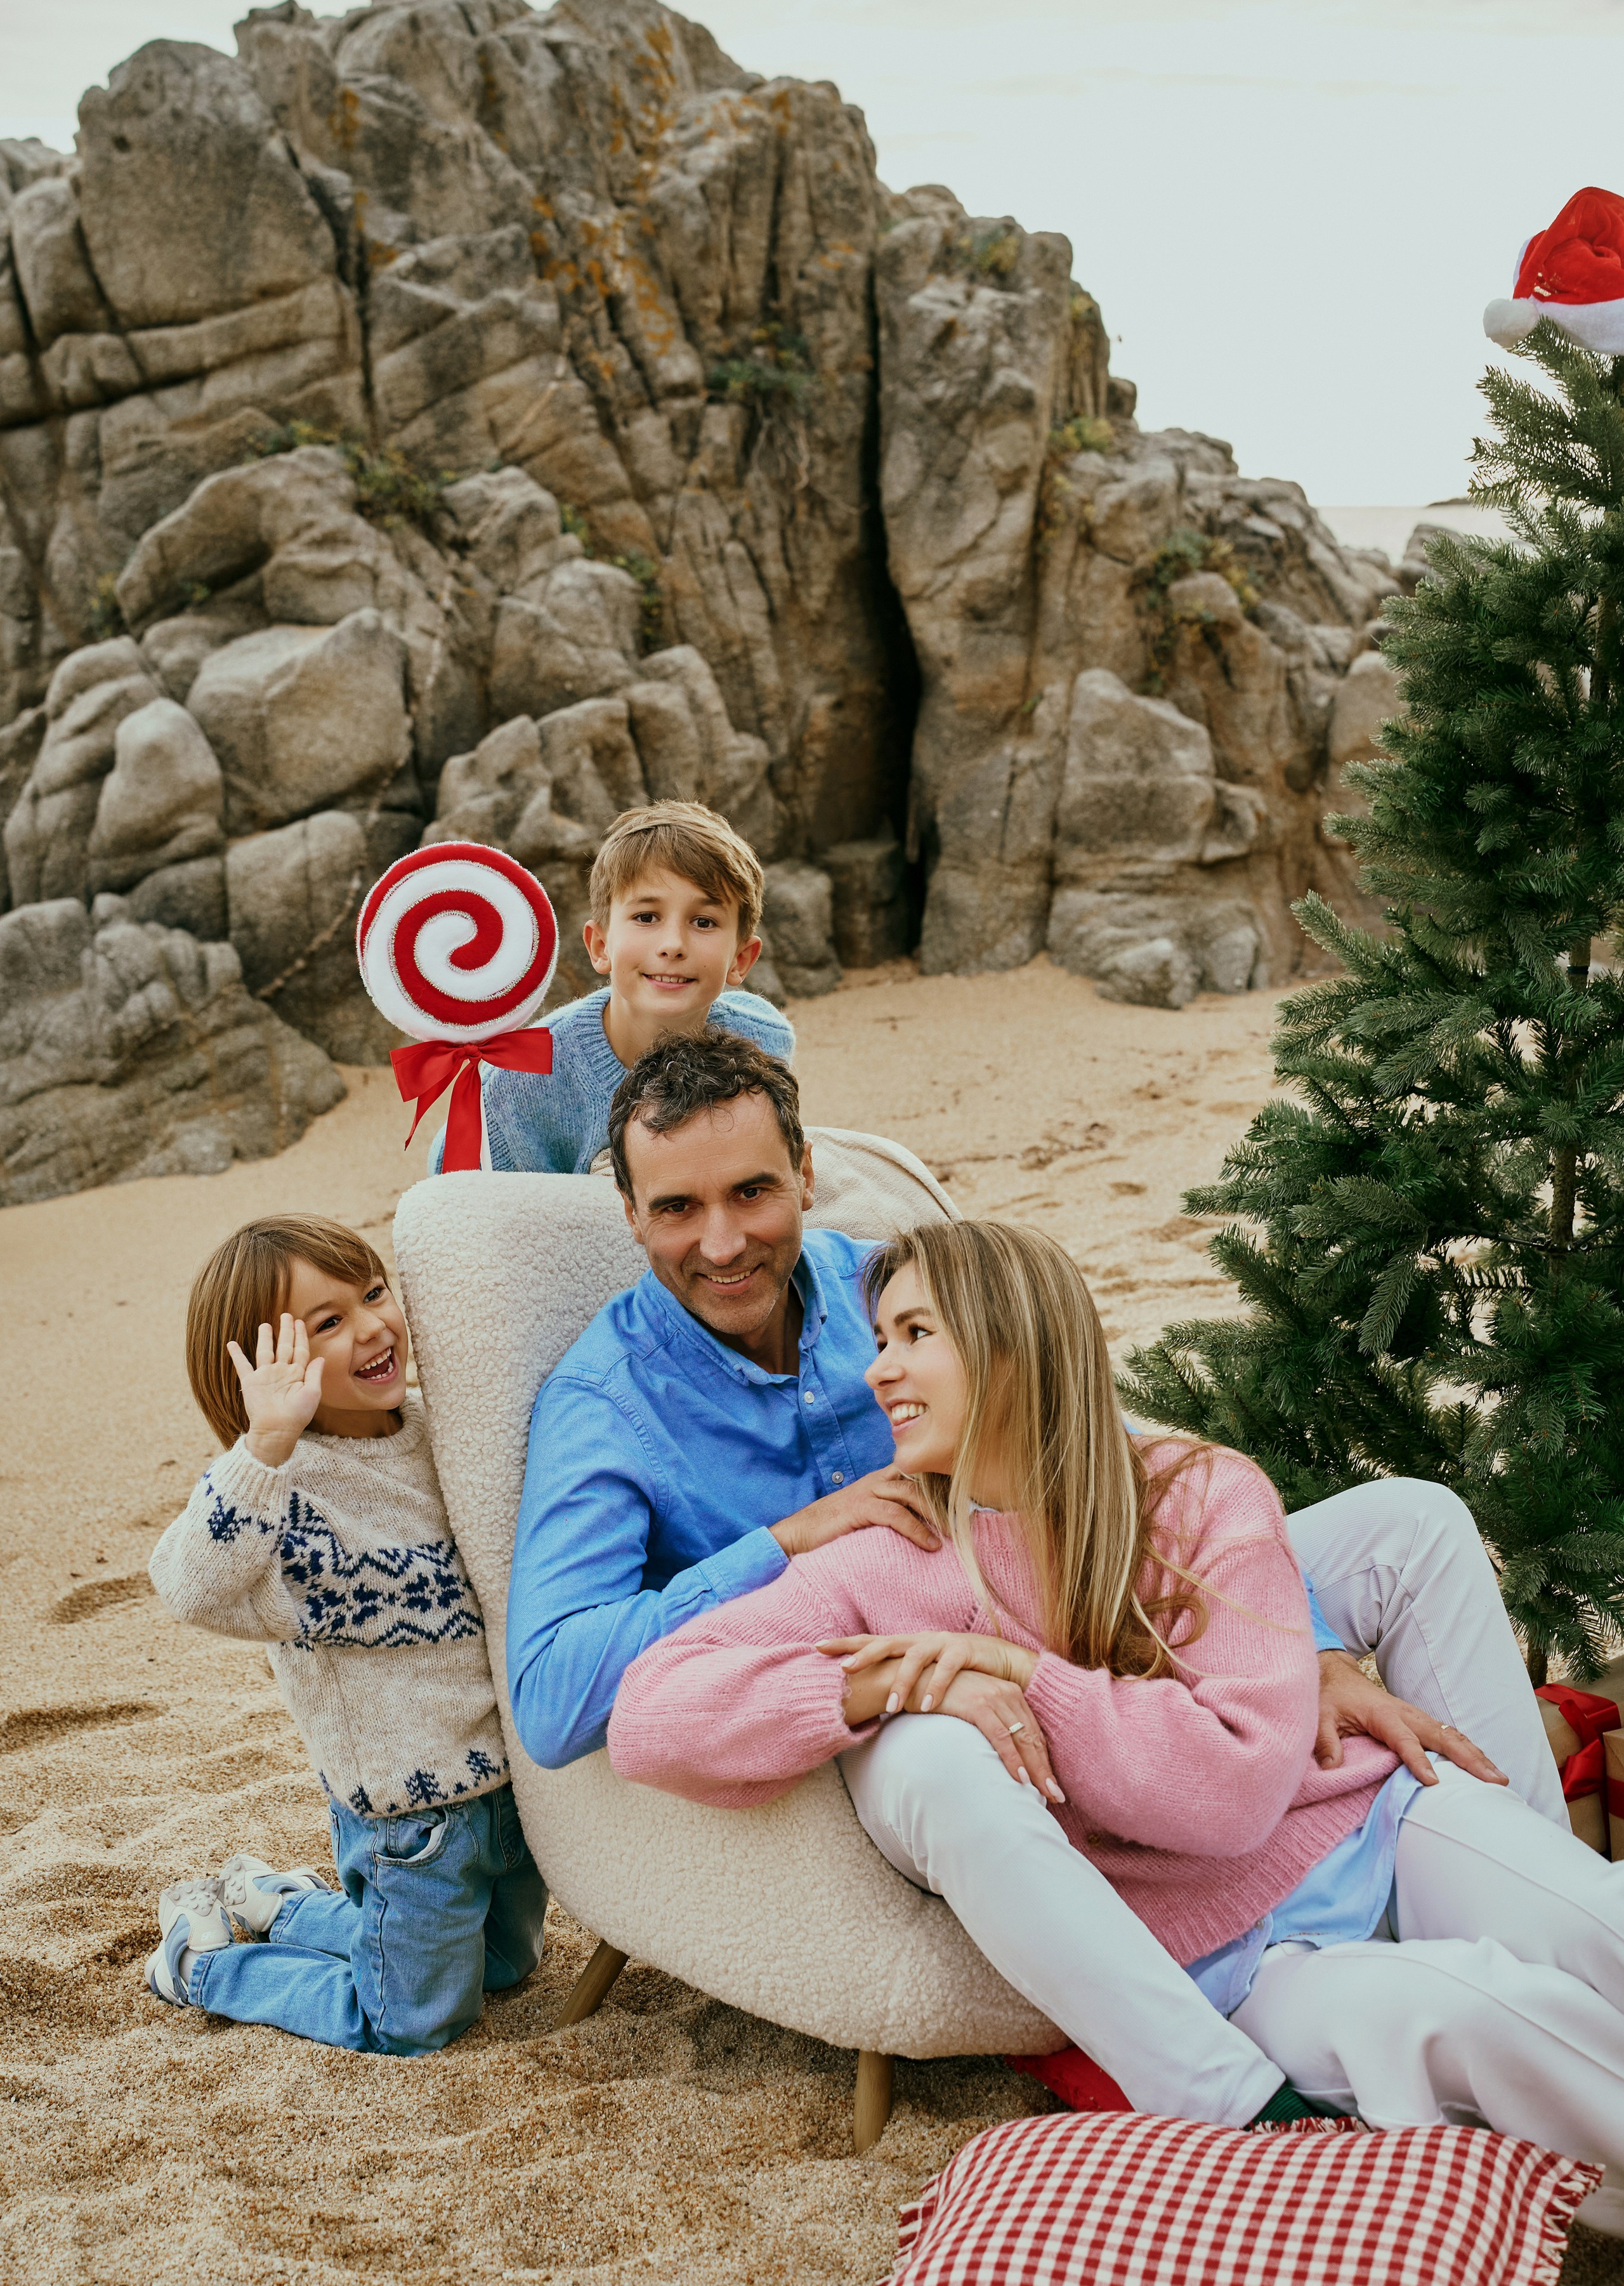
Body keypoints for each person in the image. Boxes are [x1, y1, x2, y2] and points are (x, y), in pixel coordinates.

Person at [506, 1030, 1569, 2122]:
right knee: (938, 1747)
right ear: (630, 1214)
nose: (723, 1242)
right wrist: (785, 1543)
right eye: (676, 1209)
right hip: (868, 1677)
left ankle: (1517, 1867)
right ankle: (1222, 2094)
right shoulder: (606, 1404)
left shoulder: (873, 1279)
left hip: (1041, 1591)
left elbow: (1080, 1442)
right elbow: (555, 1701)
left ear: (805, 1174)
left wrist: (1302, 1645)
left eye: (753, 1193)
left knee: (1414, 1525)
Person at [606, 1219, 1624, 2221]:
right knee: (1484, 2013)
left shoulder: (1197, 1493)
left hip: (1375, 1827)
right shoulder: (884, 1560)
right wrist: (889, 1686)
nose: (877, 1371)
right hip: (1232, 1971)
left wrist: (1021, 1673)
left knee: (1599, 1931)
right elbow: (649, 1712)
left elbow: (1233, 1792)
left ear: (1012, 1345)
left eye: (916, 1335)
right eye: (880, 1340)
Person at [145, 1214, 546, 2056]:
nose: (372, 1327)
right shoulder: (280, 1494)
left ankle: (280, 1906)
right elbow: (185, 1584)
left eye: (372, 1292)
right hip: (413, 1819)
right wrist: (265, 1444)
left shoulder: (441, 1429)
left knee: (507, 1968)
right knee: (409, 2021)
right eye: (327, 1323)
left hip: (512, 1793)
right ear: (264, 1367)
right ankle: (202, 1966)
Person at [430, 799, 792, 1174]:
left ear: (741, 959)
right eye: (646, 917)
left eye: (703, 922)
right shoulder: (520, 1085)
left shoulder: (762, 1040)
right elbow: (454, 1181)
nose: (673, 944)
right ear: (601, 947)